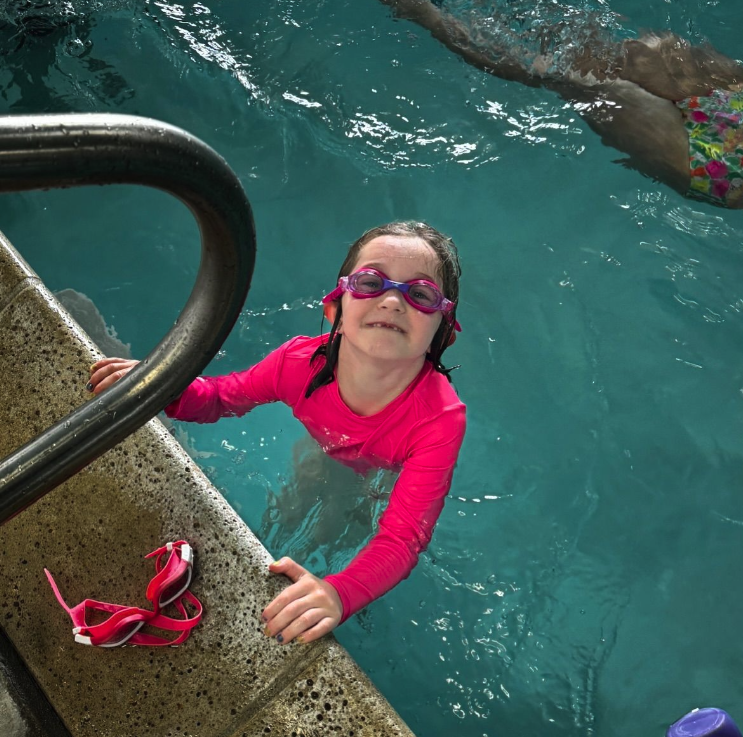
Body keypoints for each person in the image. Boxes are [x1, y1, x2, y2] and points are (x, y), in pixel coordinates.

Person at [87, 221, 466, 644]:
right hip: (321, 443)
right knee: (291, 507)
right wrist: (162, 384)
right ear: (334, 310)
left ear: (444, 333)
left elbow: (400, 540)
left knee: (340, 527)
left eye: (420, 294)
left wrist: (339, 593)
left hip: (381, 466)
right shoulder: (297, 363)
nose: (393, 300)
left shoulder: (439, 420)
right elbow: (217, 398)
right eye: (371, 282)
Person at [378, 0, 743, 208]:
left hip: (717, 167)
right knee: (626, 55)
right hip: (733, 121)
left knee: (570, 75)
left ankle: (423, 13)